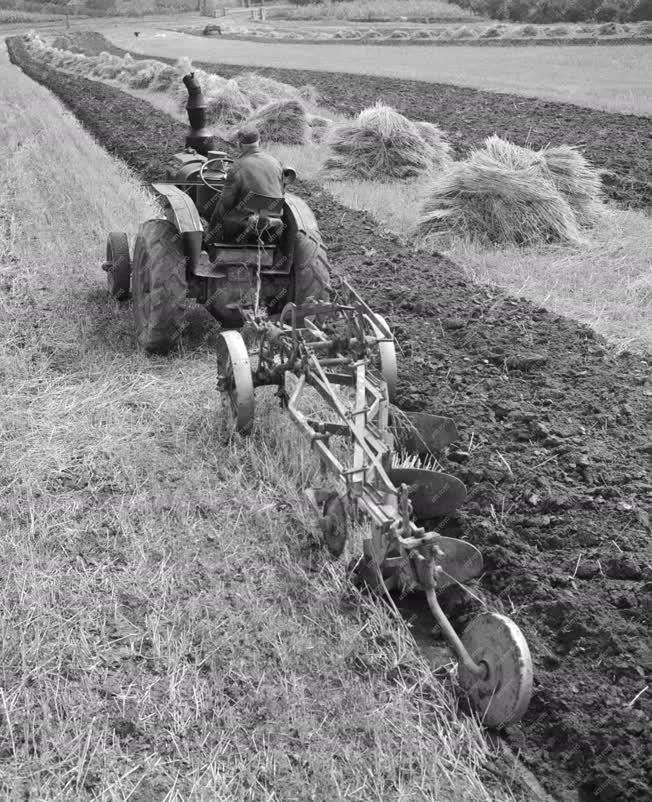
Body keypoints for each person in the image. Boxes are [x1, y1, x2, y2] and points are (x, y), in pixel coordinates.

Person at [209, 126, 285, 243]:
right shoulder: (276, 163)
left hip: (245, 219)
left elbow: (227, 203)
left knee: (220, 204)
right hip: (272, 216)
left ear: (239, 145)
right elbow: (281, 193)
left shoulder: (237, 166)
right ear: (259, 142)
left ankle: (210, 245)